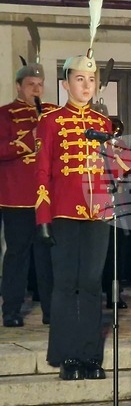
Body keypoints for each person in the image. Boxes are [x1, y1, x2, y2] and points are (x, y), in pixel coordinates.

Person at [35, 52, 116, 380]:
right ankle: (67, 355)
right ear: (66, 84)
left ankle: (89, 355)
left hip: (98, 214)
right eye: (79, 79)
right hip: (64, 213)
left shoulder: (104, 124)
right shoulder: (50, 122)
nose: (86, 85)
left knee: (92, 284)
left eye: (91, 79)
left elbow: (111, 171)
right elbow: (41, 172)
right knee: (67, 286)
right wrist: (43, 217)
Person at [0, 59, 56, 327]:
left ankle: (50, 310)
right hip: (17, 198)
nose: (36, 89)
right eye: (30, 84)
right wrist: (28, 140)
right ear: (19, 86)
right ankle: (11, 310)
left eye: (40, 85)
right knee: (17, 255)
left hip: (48, 197)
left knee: (47, 257)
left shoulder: (52, 113)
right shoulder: (5, 114)